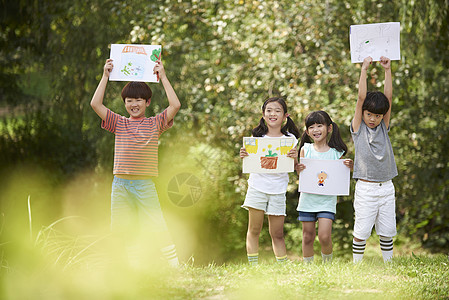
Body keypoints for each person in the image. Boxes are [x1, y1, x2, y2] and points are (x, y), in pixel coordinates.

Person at [90, 58, 181, 267]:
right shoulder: (118, 122)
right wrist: (105, 76)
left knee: (157, 224)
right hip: (120, 184)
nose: (134, 104)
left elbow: (175, 105)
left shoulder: (155, 123)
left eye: (139, 100)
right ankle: (132, 268)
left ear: (147, 102)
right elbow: (95, 104)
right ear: (124, 103)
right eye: (129, 100)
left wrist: (163, 76)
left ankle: (174, 265)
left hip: (144, 184)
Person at [240, 97, 300, 265]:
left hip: (278, 189)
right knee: (254, 229)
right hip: (257, 187)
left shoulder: (291, 139)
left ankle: (283, 264)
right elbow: (251, 161)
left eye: (277, 111)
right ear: (263, 114)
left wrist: (295, 158)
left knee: (277, 233)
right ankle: (253, 266)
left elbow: (294, 167)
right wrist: (244, 155)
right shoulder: (256, 136)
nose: (273, 114)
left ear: (285, 116)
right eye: (269, 110)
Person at [351, 56, 397, 263]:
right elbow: (361, 98)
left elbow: (388, 98)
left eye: (377, 116)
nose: (373, 118)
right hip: (366, 189)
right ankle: (356, 267)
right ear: (363, 113)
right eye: (369, 114)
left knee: (387, 231)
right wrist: (364, 70)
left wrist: (387, 70)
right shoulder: (358, 129)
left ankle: (389, 264)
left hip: (386, 187)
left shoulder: (383, 128)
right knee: (361, 230)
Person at [295, 111, 353, 264]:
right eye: (311, 127)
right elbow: (302, 175)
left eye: (319, 125)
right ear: (307, 132)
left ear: (329, 128)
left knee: (324, 236)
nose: (316, 130)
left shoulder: (336, 153)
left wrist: (349, 166)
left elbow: (341, 176)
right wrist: (298, 169)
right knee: (307, 236)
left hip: (327, 201)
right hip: (307, 199)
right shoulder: (305, 150)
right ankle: (308, 267)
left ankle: (327, 265)